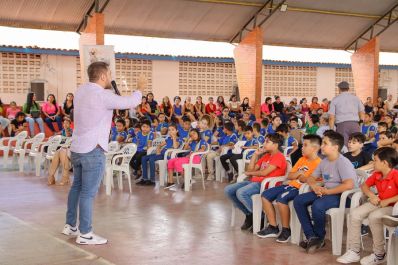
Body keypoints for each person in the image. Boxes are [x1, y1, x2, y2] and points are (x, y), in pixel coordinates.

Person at [62, 61, 142, 245]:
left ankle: (70, 225)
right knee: (88, 193)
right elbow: (130, 102)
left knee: (77, 188)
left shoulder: (80, 91)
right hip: (93, 149)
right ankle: (85, 233)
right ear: (103, 76)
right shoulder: (103, 95)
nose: (111, 77)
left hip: (77, 148)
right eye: (110, 74)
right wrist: (140, 88)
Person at [293, 131, 357, 252]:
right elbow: (311, 177)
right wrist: (315, 187)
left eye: (325, 143)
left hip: (343, 196)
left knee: (318, 205)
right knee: (299, 200)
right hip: (326, 192)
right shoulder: (325, 161)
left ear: (335, 147)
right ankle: (311, 236)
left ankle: (319, 237)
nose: (321, 146)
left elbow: (349, 185)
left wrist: (327, 192)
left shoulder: (343, 162)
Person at [337, 147, 398, 265]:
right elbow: (364, 186)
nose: (372, 163)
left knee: (374, 216)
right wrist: (372, 195)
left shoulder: (395, 175)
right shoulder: (377, 174)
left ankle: (379, 254)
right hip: (379, 202)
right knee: (355, 214)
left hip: (394, 207)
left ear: (385, 163)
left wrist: (389, 200)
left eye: (375, 160)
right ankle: (354, 251)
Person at [257, 134, 322, 242]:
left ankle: (286, 230)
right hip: (290, 185)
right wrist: (299, 174)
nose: (302, 147)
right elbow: (290, 175)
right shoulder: (302, 159)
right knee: (265, 195)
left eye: (305, 145)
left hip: (300, 189)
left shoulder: (319, 163)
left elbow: (310, 180)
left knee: (281, 199)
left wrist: (299, 175)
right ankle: (273, 227)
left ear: (315, 148)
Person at [224, 133, 287, 231]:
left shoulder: (279, 157)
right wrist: (255, 154)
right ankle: (249, 215)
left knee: (241, 193)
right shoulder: (266, 156)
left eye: (267, 142)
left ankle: (259, 216)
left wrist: (251, 173)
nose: (264, 144)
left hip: (265, 185)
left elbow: (264, 172)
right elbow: (250, 169)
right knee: (228, 190)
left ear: (276, 145)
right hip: (254, 182)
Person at [329, 81, 365, 146]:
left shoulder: (335, 99)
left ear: (339, 89)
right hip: (355, 124)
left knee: (344, 146)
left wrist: (331, 130)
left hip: (342, 125)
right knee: (356, 145)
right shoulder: (356, 98)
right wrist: (361, 122)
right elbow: (362, 112)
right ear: (348, 88)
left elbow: (331, 117)